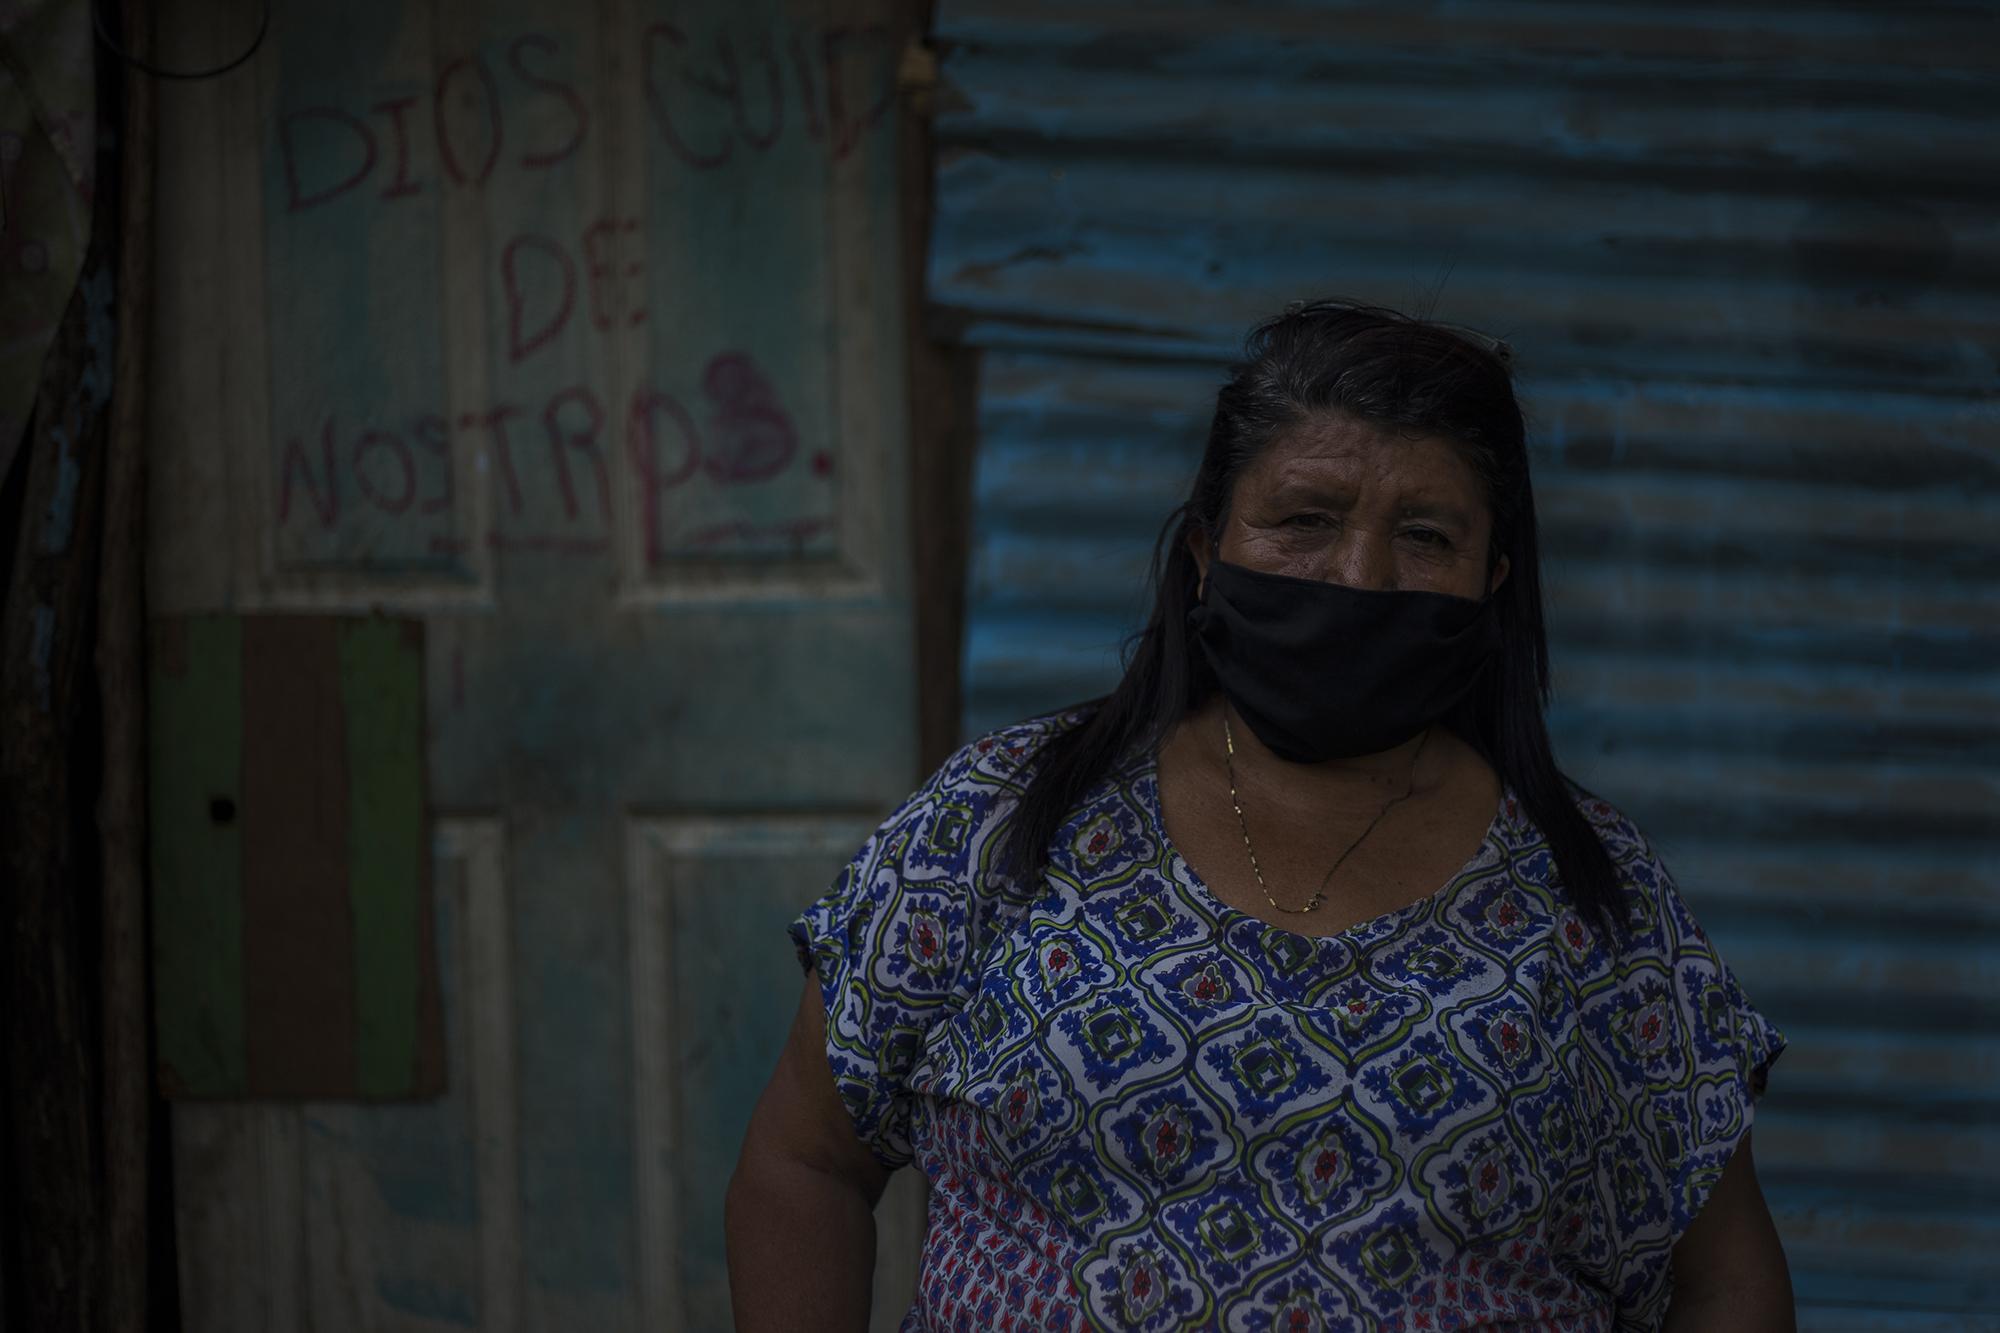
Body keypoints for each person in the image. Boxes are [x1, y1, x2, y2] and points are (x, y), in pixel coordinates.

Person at [726, 300, 1792, 1331]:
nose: (1359, 577)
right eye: (1303, 521)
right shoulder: (1001, 818)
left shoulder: (1590, 892)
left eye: (1423, 536)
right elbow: (806, 1159)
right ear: (1203, 551)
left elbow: (1724, 1279)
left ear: (1488, 583)